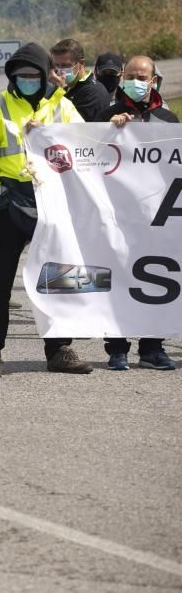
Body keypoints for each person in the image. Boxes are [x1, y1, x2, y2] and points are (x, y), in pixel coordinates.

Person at [0, 43, 92, 379]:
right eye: (20, 76)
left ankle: (60, 349)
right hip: (10, 203)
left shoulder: (63, 106)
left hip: (52, 205)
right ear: (11, 76)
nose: (27, 80)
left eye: (33, 75)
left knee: (59, 279)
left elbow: (87, 147)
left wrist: (118, 129)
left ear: (45, 74)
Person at [96, 55, 178, 371]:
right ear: (121, 78)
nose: (137, 81)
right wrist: (109, 133)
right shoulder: (107, 115)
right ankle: (117, 348)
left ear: (154, 80)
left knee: (156, 280)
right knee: (117, 279)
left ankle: (152, 348)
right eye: (131, 75)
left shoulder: (168, 120)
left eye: (143, 76)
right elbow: (88, 160)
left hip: (157, 219)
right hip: (118, 217)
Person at [49, 39, 107, 121]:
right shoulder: (67, 89)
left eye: (65, 65)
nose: (60, 70)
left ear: (81, 63)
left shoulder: (93, 92)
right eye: (57, 65)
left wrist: (57, 92)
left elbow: (75, 126)